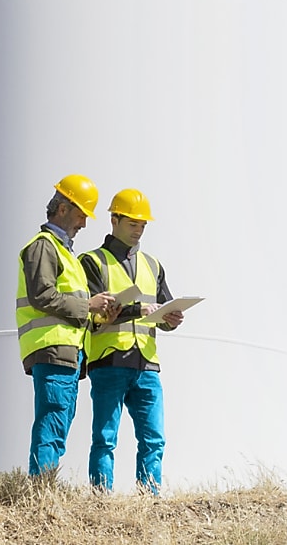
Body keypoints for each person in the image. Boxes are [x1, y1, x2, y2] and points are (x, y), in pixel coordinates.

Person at [81, 187, 185, 493]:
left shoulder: (153, 265)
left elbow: (163, 306)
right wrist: (139, 308)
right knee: (105, 437)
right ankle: (101, 497)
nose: (138, 230)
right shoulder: (92, 262)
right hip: (109, 361)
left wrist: (171, 319)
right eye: (132, 224)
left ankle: (148, 499)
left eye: (142, 225)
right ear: (113, 221)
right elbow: (94, 309)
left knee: (154, 438)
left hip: (147, 364)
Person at [16, 174, 118, 477]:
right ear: (63, 208)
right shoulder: (43, 247)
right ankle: (41, 493)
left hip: (68, 353)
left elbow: (70, 304)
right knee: (52, 421)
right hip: (52, 349)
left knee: (58, 423)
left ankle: (43, 490)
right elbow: (42, 296)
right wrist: (89, 305)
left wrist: (99, 315)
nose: (84, 224)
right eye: (81, 214)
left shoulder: (65, 253)